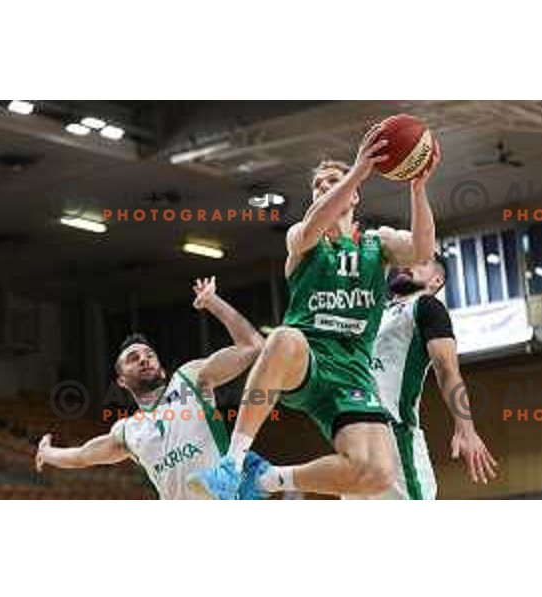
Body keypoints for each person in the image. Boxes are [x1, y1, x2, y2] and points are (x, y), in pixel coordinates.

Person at [187, 124, 440, 499]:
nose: (323, 188)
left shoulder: (378, 244)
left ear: (354, 197)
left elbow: (421, 253)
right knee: (285, 337)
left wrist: (417, 189)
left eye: (332, 181)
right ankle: (232, 463)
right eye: (318, 185)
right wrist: (355, 171)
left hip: (353, 374)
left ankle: (264, 479)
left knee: (377, 474)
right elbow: (307, 232)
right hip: (306, 364)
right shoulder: (301, 238)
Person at [35, 276, 266, 500]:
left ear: (162, 370)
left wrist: (213, 303)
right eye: (133, 358)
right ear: (122, 381)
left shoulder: (189, 379)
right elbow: (82, 456)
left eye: (149, 355)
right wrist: (47, 453)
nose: (144, 360)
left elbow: (253, 346)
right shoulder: (128, 431)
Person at [347, 255, 498, 499]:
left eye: (421, 262)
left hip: (394, 435)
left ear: (436, 280)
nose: (408, 264)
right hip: (352, 437)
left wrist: (465, 428)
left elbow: (447, 370)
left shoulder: (425, 306)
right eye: (407, 259)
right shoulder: (373, 312)